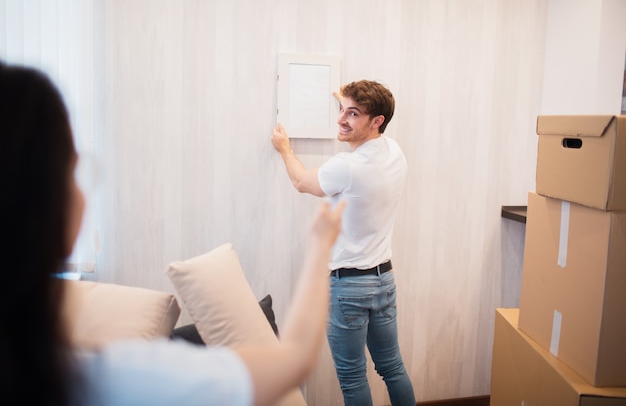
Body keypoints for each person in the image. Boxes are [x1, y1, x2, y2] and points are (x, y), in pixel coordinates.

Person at [0, 61, 345, 406]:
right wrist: (320, 245)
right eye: (74, 171)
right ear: (48, 206)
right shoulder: (105, 379)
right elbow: (294, 361)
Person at [271, 80, 415, 406]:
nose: (341, 119)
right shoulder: (394, 152)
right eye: (341, 109)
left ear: (377, 121)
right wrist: (349, 101)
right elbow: (362, 115)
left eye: (352, 114)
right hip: (384, 281)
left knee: (353, 378)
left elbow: (300, 181)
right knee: (392, 368)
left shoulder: (346, 167)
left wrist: (284, 148)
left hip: (349, 287)